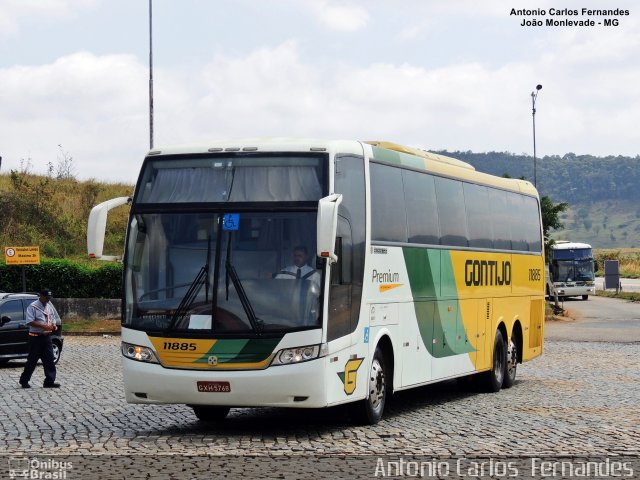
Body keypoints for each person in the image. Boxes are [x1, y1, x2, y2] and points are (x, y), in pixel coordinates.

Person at [19, 288, 60, 389]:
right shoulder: (32, 306)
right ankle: (24, 381)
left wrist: (53, 325)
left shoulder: (49, 307)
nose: (48, 300)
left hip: (46, 337)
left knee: (49, 360)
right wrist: (44, 326)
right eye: (46, 297)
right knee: (32, 361)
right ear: (41, 296)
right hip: (35, 337)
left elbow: (52, 317)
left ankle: (49, 381)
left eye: (49, 298)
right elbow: (30, 321)